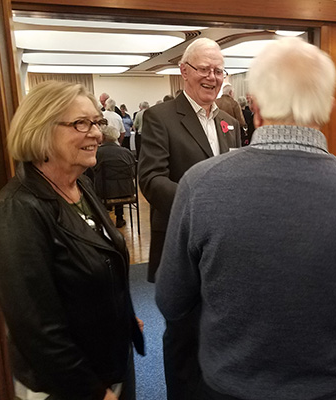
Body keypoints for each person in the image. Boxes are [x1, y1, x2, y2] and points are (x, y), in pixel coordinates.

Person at [156, 36, 336, 400]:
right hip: (335, 389)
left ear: (253, 104)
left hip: (228, 387)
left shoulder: (201, 184)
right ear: (327, 106)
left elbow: (171, 300)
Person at [0, 80, 144, 400]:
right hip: (67, 386)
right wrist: (92, 392)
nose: (97, 133)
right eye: (80, 123)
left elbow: (101, 257)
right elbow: (38, 331)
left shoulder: (80, 184)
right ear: (41, 129)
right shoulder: (17, 211)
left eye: (96, 122)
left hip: (110, 364)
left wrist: (120, 316)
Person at [138, 37, 241, 400]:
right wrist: (203, 206)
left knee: (218, 334)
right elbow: (151, 180)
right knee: (182, 337)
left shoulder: (230, 122)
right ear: (184, 72)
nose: (212, 77)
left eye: (218, 70)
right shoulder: (159, 117)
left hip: (224, 251)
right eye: (204, 69)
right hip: (180, 246)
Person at [94, 125, 137, 228]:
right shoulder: (126, 152)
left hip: (104, 193)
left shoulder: (98, 153)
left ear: (103, 137)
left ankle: (103, 220)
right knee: (118, 184)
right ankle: (119, 218)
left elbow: (92, 172)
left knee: (107, 183)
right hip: (127, 190)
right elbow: (134, 173)